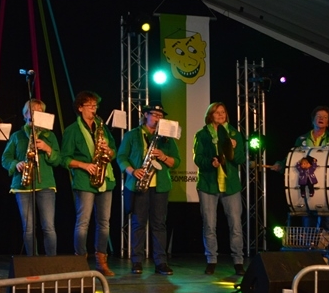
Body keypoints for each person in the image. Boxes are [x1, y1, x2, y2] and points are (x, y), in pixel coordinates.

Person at [116, 103, 179, 275]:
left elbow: (176, 162)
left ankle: (161, 262)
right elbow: (121, 157)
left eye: (161, 116)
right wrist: (133, 171)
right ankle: (137, 261)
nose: (158, 118)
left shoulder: (167, 138)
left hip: (160, 187)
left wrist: (163, 157)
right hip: (139, 185)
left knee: (159, 224)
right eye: (155, 115)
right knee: (138, 223)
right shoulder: (132, 135)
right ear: (146, 115)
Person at [61, 91, 117, 276]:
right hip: (84, 180)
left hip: (105, 179)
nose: (94, 109)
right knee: (83, 222)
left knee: (104, 223)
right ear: (80, 108)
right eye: (90, 105)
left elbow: (114, 151)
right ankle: (80, 260)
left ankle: (102, 261)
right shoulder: (72, 130)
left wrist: (108, 151)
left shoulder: (102, 127)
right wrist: (84, 165)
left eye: (95, 105)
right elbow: (64, 158)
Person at [1, 98, 62, 256]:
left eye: (40, 111)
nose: (36, 114)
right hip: (22, 186)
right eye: (33, 111)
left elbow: (58, 160)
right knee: (28, 229)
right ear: (25, 114)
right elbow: (5, 158)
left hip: (45, 184)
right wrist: (16, 164)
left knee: (48, 227)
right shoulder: (17, 136)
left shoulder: (49, 136)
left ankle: (51, 262)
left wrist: (47, 148)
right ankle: (32, 261)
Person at [193, 102, 246, 275]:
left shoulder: (234, 134)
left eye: (223, 112)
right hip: (208, 185)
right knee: (209, 225)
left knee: (236, 225)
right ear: (210, 115)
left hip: (230, 186)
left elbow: (240, 160)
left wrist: (233, 148)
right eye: (217, 112)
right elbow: (198, 158)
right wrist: (211, 162)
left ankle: (238, 261)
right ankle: (211, 260)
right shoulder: (202, 134)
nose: (221, 115)